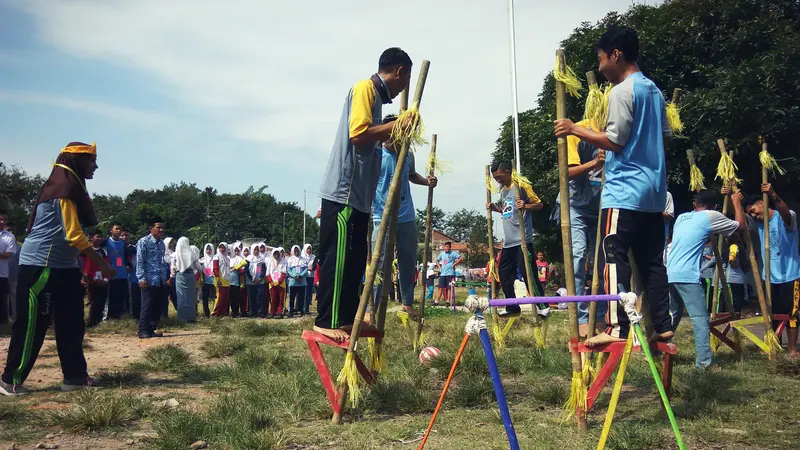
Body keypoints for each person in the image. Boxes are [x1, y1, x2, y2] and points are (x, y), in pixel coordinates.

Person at [554, 26, 673, 347]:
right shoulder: (654, 91)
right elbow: (665, 137)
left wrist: (573, 130)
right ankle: (663, 324)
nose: (601, 65)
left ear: (615, 55)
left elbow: (615, 141)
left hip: (625, 190)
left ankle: (618, 326)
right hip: (653, 192)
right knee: (652, 262)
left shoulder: (622, 92)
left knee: (612, 253)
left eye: (601, 58)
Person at [1, 141, 115, 396]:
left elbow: (67, 238)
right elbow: (74, 235)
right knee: (32, 324)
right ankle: (11, 380)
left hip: (64, 268)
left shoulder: (70, 189)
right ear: (76, 161)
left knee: (72, 323)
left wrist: (81, 270)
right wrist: (102, 265)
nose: (95, 165)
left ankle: (75, 376)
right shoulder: (62, 190)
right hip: (41, 267)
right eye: (91, 160)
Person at [315, 47, 412, 342]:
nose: (401, 89)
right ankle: (326, 320)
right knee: (340, 258)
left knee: (356, 259)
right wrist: (396, 125)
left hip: (359, 197)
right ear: (400, 72)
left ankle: (344, 317)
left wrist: (395, 131)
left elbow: (374, 136)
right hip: (344, 193)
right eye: (404, 82)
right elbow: (357, 134)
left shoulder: (377, 102)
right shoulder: (364, 89)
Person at [667, 189, 746, 368]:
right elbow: (740, 227)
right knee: (700, 319)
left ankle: (659, 353)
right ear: (715, 206)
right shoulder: (711, 215)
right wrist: (736, 202)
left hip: (671, 273)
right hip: (688, 275)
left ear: (695, 203)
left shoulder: (682, 218)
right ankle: (704, 363)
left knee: (673, 316)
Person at [370, 114, 438, 317]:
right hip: (381, 216)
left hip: (406, 216)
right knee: (377, 262)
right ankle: (370, 306)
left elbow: (411, 175)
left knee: (408, 261)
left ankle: (407, 303)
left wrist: (427, 182)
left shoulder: (407, 154)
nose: (395, 137)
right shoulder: (375, 154)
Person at [556, 116, 606, 333]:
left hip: (602, 206)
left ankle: (602, 314)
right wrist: (596, 163)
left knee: (603, 262)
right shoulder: (580, 130)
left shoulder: (618, 130)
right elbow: (566, 172)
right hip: (575, 205)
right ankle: (581, 316)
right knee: (577, 257)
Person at [740, 183, 800, 358]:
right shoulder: (758, 223)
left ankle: (793, 349)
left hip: (791, 274)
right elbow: (741, 222)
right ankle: (775, 345)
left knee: (792, 314)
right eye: (750, 213)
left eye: (754, 210)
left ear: (762, 202)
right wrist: (734, 199)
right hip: (769, 276)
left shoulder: (785, 217)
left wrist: (773, 194)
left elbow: (785, 213)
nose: (754, 215)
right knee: (772, 313)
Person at [487, 161, 549, 317]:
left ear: (508, 171)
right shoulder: (503, 192)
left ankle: (542, 305)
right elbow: (508, 211)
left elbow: (539, 204)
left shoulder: (521, 186)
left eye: (499, 176)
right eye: (495, 178)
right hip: (508, 243)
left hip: (522, 240)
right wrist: (496, 209)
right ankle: (512, 306)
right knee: (504, 273)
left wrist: (526, 206)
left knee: (528, 272)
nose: (498, 181)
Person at [137, 217, 167, 339]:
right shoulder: (143, 242)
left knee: (157, 306)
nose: (161, 230)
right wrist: (142, 278)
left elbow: (162, 261)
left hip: (160, 279)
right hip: (148, 279)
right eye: (158, 227)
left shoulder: (162, 243)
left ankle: (151, 329)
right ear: (151, 228)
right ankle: (142, 330)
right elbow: (140, 261)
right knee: (147, 305)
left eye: (162, 228)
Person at [171, 237, 202, 323]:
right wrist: (203, 269)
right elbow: (198, 267)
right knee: (191, 297)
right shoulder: (192, 254)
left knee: (181, 297)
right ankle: (191, 318)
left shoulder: (175, 254)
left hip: (180, 276)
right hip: (190, 276)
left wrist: (171, 277)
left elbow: (173, 268)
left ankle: (182, 318)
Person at [84, 229, 110, 327]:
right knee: (93, 302)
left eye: (100, 237)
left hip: (103, 281)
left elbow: (108, 265)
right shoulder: (87, 251)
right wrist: (96, 279)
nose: (99, 239)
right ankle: (91, 322)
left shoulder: (103, 252)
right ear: (91, 238)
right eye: (97, 236)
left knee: (101, 302)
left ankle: (98, 321)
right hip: (92, 281)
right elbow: (86, 268)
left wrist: (105, 279)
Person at [104, 222, 128, 319]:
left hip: (122, 273)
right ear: (111, 230)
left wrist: (128, 265)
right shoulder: (105, 242)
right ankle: (109, 316)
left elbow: (125, 256)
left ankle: (119, 315)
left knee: (120, 296)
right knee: (110, 296)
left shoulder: (123, 243)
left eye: (120, 229)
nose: (119, 231)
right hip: (110, 273)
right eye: (116, 229)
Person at [723, 232, 749, 313]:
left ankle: (733, 318)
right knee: (739, 300)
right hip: (740, 277)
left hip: (731, 277)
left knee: (732, 300)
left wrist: (731, 261)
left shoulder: (733, 247)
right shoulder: (742, 248)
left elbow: (732, 259)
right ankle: (737, 316)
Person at [0, 213, 17, 325]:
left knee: (1, 300)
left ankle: (2, 324)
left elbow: (9, 254)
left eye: (4, 220)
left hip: (2, 274)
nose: (2, 222)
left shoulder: (9, 237)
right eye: (0, 219)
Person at [434, 242, 461, 307]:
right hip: (443, 274)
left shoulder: (453, 253)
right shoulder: (442, 254)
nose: (448, 248)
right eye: (446, 246)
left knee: (449, 288)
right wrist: (439, 267)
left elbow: (460, 258)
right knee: (440, 287)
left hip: (450, 273)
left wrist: (454, 264)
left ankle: (448, 301)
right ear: (444, 247)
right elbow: (437, 260)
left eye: (449, 247)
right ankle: (437, 301)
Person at [287, 245, 308, 316]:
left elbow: (306, 269)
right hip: (293, 282)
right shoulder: (290, 260)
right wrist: (294, 276)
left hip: (302, 282)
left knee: (301, 297)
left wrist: (300, 275)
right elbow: (288, 270)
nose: (296, 252)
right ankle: (291, 311)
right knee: (292, 297)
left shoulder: (304, 259)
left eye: (297, 250)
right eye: (295, 251)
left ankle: (301, 310)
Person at [212, 242, 231, 317]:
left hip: (227, 280)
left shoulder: (227, 258)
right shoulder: (216, 257)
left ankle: (222, 313)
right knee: (220, 297)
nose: (222, 249)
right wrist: (217, 278)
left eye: (224, 248)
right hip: (220, 279)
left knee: (225, 298)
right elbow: (215, 268)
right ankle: (214, 313)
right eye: (220, 247)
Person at [246, 244, 265, 317]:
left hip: (259, 281)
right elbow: (246, 270)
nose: (256, 251)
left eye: (257, 250)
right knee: (251, 297)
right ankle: (252, 312)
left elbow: (263, 270)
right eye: (254, 249)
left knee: (260, 296)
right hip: (250, 281)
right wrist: (252, 279)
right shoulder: (248, 259)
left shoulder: (261, 259)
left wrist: (259, 278)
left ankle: (259, 311)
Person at [227, 245, 247, 317]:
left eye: (230, 250)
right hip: (226, 281)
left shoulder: (237, 258)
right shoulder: (225, 257)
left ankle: (235, 313)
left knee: (234, 298)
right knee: (227, 299)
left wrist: (236, 267)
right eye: (228, 250)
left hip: (234, 282)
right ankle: (226, 312)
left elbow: (244, 262)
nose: (229, 251)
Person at [267, 248, 287, 318]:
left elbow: (284, 272)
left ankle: (279, 312)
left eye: (277, 253)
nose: (276, 255)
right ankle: (273, 312)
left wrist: (279, 281)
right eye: (275, 254)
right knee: (273, 298)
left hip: (281, 283)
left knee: (281, 298)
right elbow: (268, 273)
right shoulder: (270, 261)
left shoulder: (283, 261)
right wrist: (271, 281)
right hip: (272, 283)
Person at [162, 237, 177, 317]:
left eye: (172, 243)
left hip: (173, 277)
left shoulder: (174, 253)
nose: (171, 245)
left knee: (174, 295)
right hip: (165, 276)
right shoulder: (162, 254)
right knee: (164, 296)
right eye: (169, 243)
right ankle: (164, 315)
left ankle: (181, 314)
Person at [200, 243, 215, 318]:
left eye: (210, 249)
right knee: (205, 298)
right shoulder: (202, 260)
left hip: (213, 280)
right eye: (207, 249)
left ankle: (214, 312)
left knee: (214, 297)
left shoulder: (215, 259)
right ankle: (206, 313)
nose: (208, 251)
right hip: (205, 281)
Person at [303, 244, 316, 315]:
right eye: (307, 249)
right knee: (303, 293)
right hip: (303, 277)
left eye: (310, 249)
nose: (309, 250)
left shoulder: (313, 257)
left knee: (309, 293)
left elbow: (314, 267)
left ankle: (307, 309)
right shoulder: (302, 257)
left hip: (311, 277)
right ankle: (301, 308)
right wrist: (308, 268)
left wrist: (306, 268)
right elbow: (301, 267)